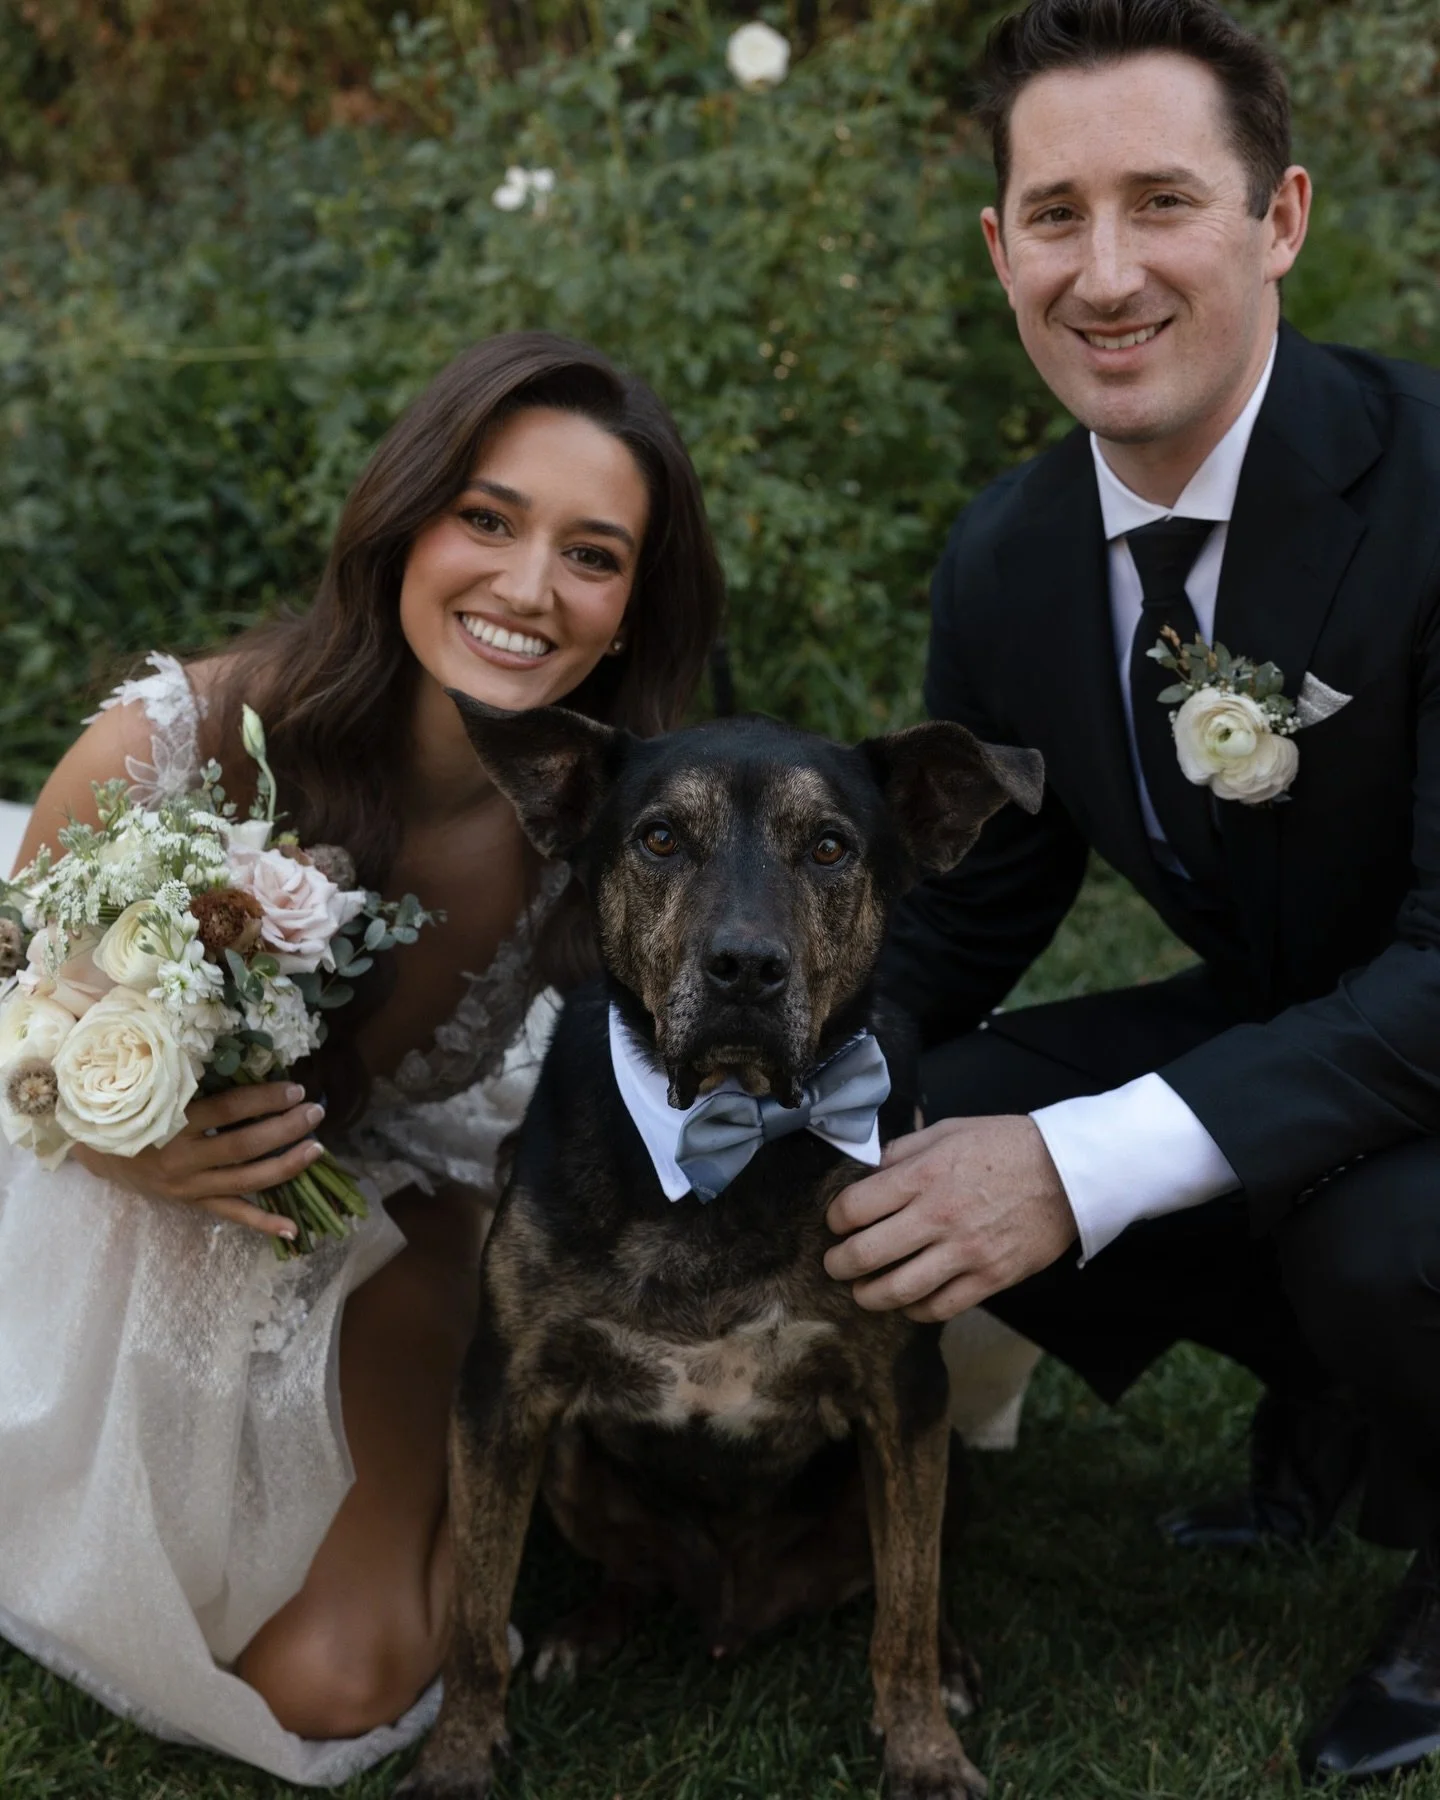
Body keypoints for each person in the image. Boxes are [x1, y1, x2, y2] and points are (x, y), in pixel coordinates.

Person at [823, 0, 1440, 1785]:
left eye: (1163, 201)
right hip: (1305, 1031)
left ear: (1282, 219)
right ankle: (1339, 1396)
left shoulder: (1431, 489)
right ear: (998, 246)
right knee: (930, 1106)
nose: (1107, 275)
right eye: (1058, 215)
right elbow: (962, 915)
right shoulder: (1012, 556)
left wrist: (1079, 1168)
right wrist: (769, 1082)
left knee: (1381, 1236)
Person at [0, 331, 726, 1783]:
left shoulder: (593, 829)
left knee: (344, 1681)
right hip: (97, 1199)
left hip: (383, 1190)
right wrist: (110, 1134)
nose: (528, 589)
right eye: (488, 518)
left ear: (635, 607)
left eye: (593, 555)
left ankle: (486, 1433)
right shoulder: (182, 740)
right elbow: (11, 1004)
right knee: (325, 1685)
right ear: (406, 518)